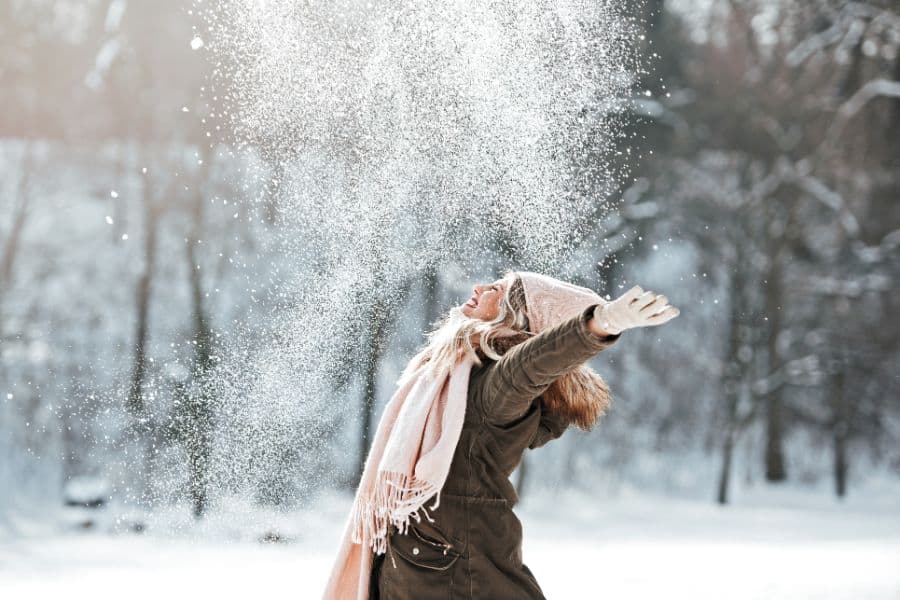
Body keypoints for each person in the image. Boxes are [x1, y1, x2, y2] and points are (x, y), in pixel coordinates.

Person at [324, 270, 680, 600]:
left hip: (454, 573)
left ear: (515, 317)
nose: (479, 288)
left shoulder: (493, 390)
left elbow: (530, 365)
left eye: (497, 289)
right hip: (425, 565)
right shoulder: (456, 377)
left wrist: (598, 325)